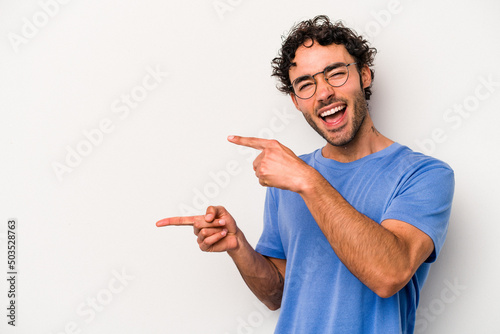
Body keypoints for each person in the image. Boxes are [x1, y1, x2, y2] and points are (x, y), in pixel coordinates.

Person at [156, 15, 455, 334]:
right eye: (306, 84)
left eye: (336, 74)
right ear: (296, 101)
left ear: (364, 75)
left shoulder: (425, 175)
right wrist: (238, 246)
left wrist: (307, 181)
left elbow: (389, 275)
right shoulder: (287, 180)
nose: (323, 93)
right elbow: (277, 294)